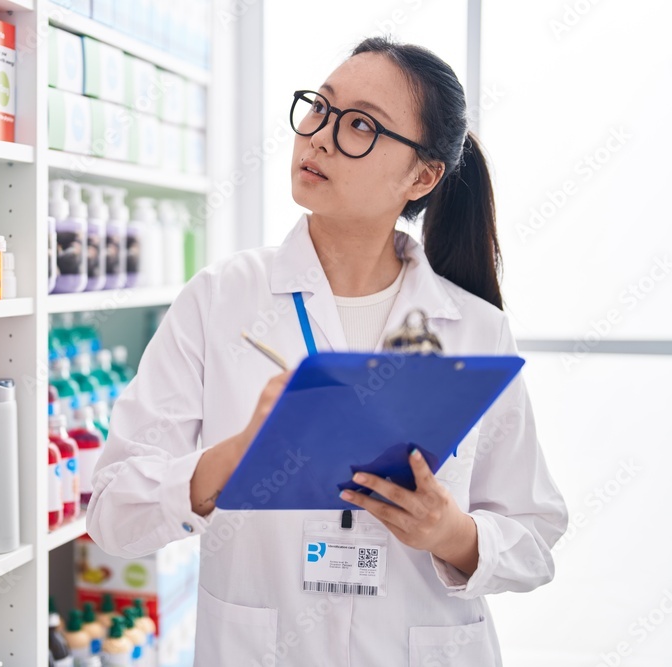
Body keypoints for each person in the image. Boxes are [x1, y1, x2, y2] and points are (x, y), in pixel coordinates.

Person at [86, 36, 568, 666]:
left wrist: (451, 533)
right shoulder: (220, 300)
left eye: (361, 125)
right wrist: (235, 457)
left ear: (421, 177)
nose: (318, 136)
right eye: (320, 107)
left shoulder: (473, 329)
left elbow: (536, 540)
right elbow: (112, 512)